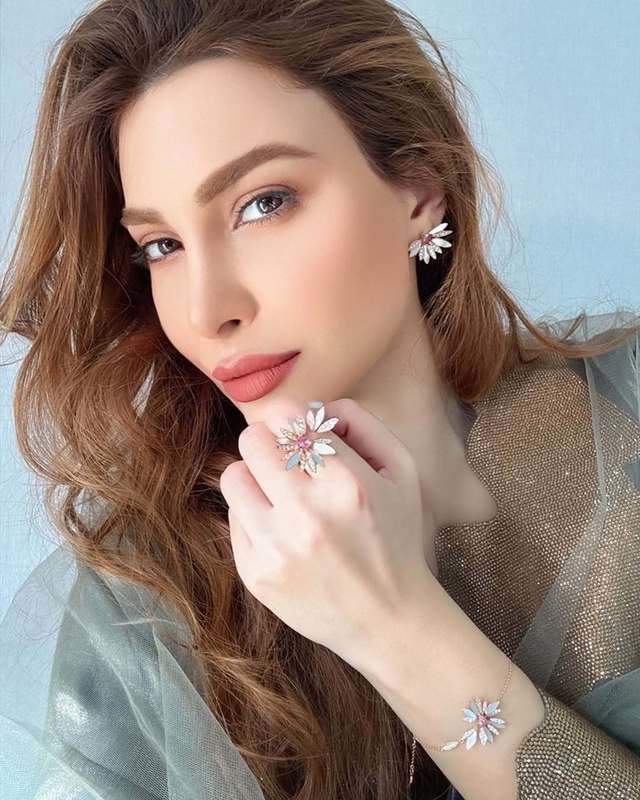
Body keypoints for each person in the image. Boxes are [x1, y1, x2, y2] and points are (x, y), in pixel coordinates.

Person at [0, 1, 638, 798]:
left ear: (419, 188)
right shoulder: (143, 617)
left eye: (263, 203)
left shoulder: (626, 420)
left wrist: (396, 625)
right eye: (161, 245)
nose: (208, 309)